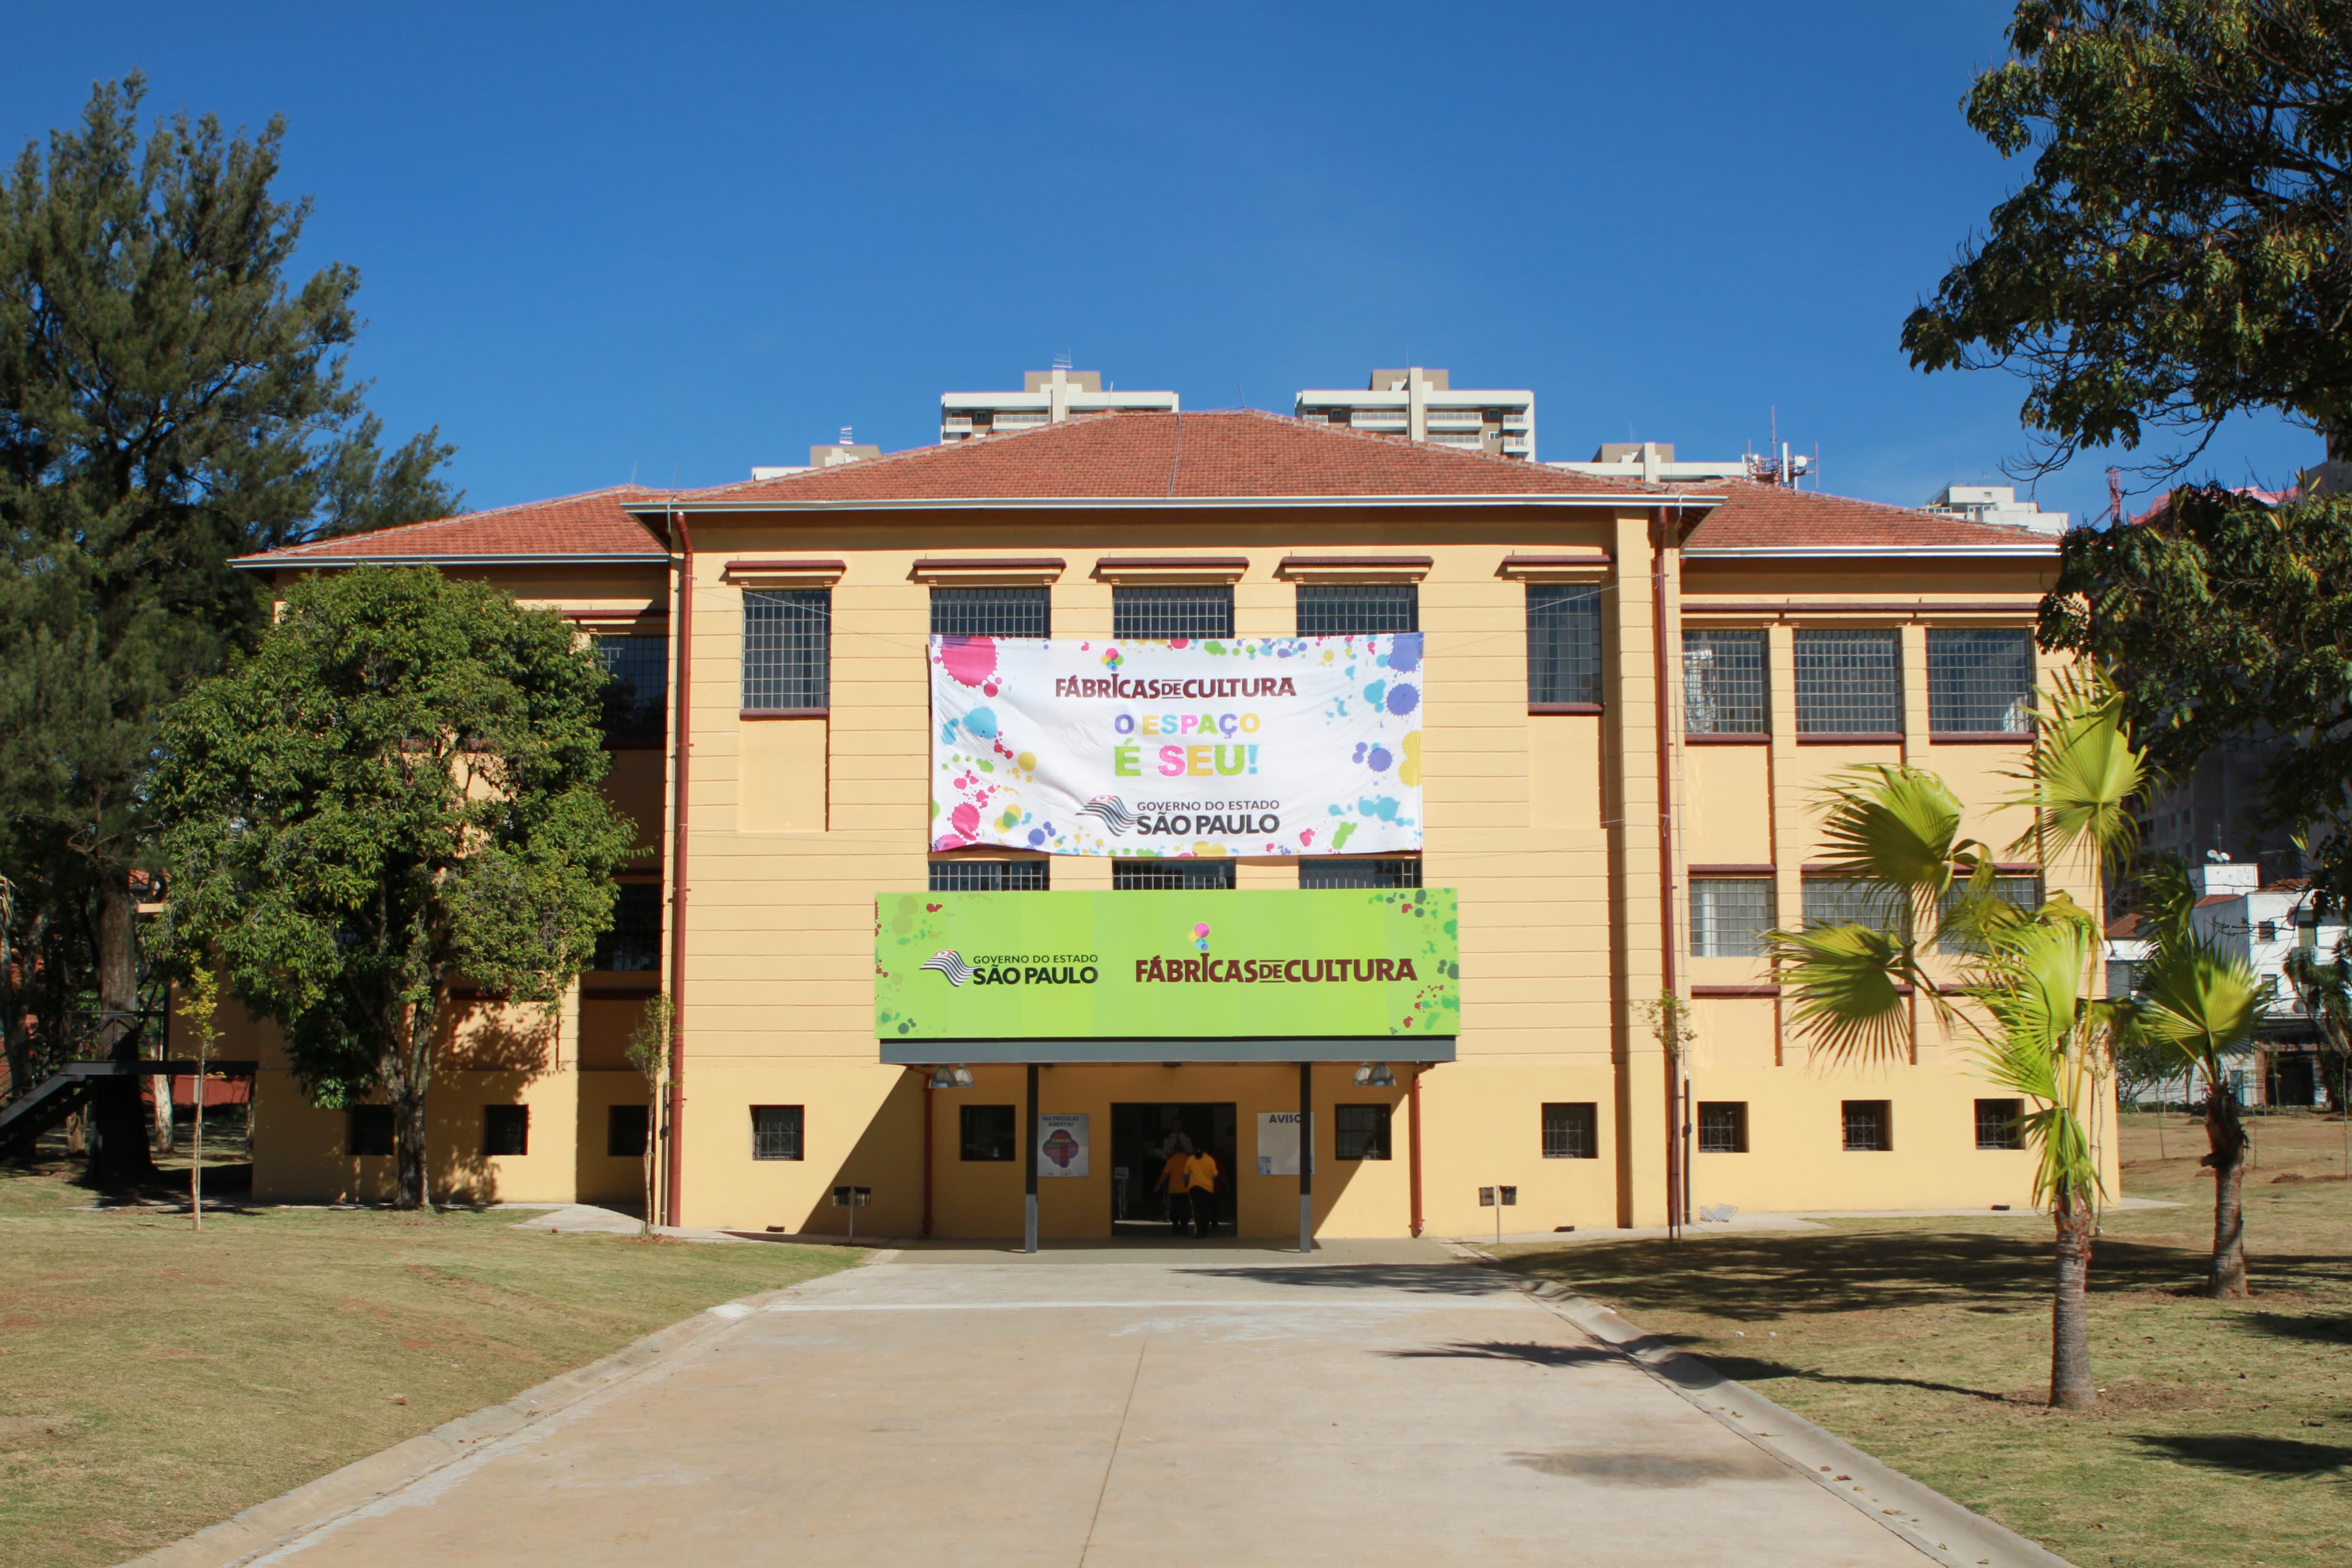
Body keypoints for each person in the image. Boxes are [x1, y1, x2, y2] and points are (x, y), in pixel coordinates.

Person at [1155, 1136, 1191, 1235]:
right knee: (1185, 1209)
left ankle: (1175, 1226)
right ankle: (1184, 1227)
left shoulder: (1171, 1160)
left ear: (1174, 1151)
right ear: (1183, 1150)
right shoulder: (1189, 1160)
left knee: (1174, 1209)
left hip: (1173, 1190)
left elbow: (1165, 1174)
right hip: (1186, 1189)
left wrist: (1159, 1185)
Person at [1185, 1144, 1221, 1237]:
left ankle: (1199, 1232)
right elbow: (1215, 1175)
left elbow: (1186, 1175)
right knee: (1206, 1210)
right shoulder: (1210, 1160)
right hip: (1208, 1189)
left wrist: (1185, 1185)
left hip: (1194, 1188)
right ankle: (1205, 1231)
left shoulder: (1191, 1159)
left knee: (1197, 1211)